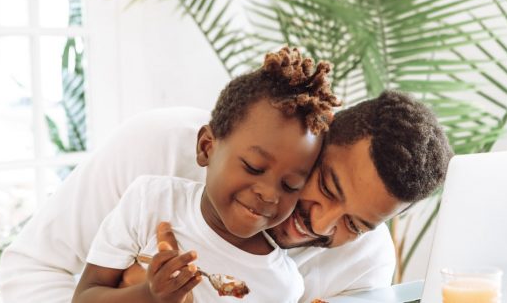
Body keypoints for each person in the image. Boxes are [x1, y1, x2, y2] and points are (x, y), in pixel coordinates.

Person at [0, 61, 453, 303]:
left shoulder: (364, 266)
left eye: (355, 224)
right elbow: (31, 270)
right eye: (329, 188)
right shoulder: (158, 151)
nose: (320, 225)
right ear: (321, 132)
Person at [72, 47, 340, 303]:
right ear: (206, 147)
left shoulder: (282, 286)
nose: (269, 193)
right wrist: (149, 296)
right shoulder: (150, 202)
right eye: (253, 167)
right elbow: (84, 296)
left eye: (290, 185)